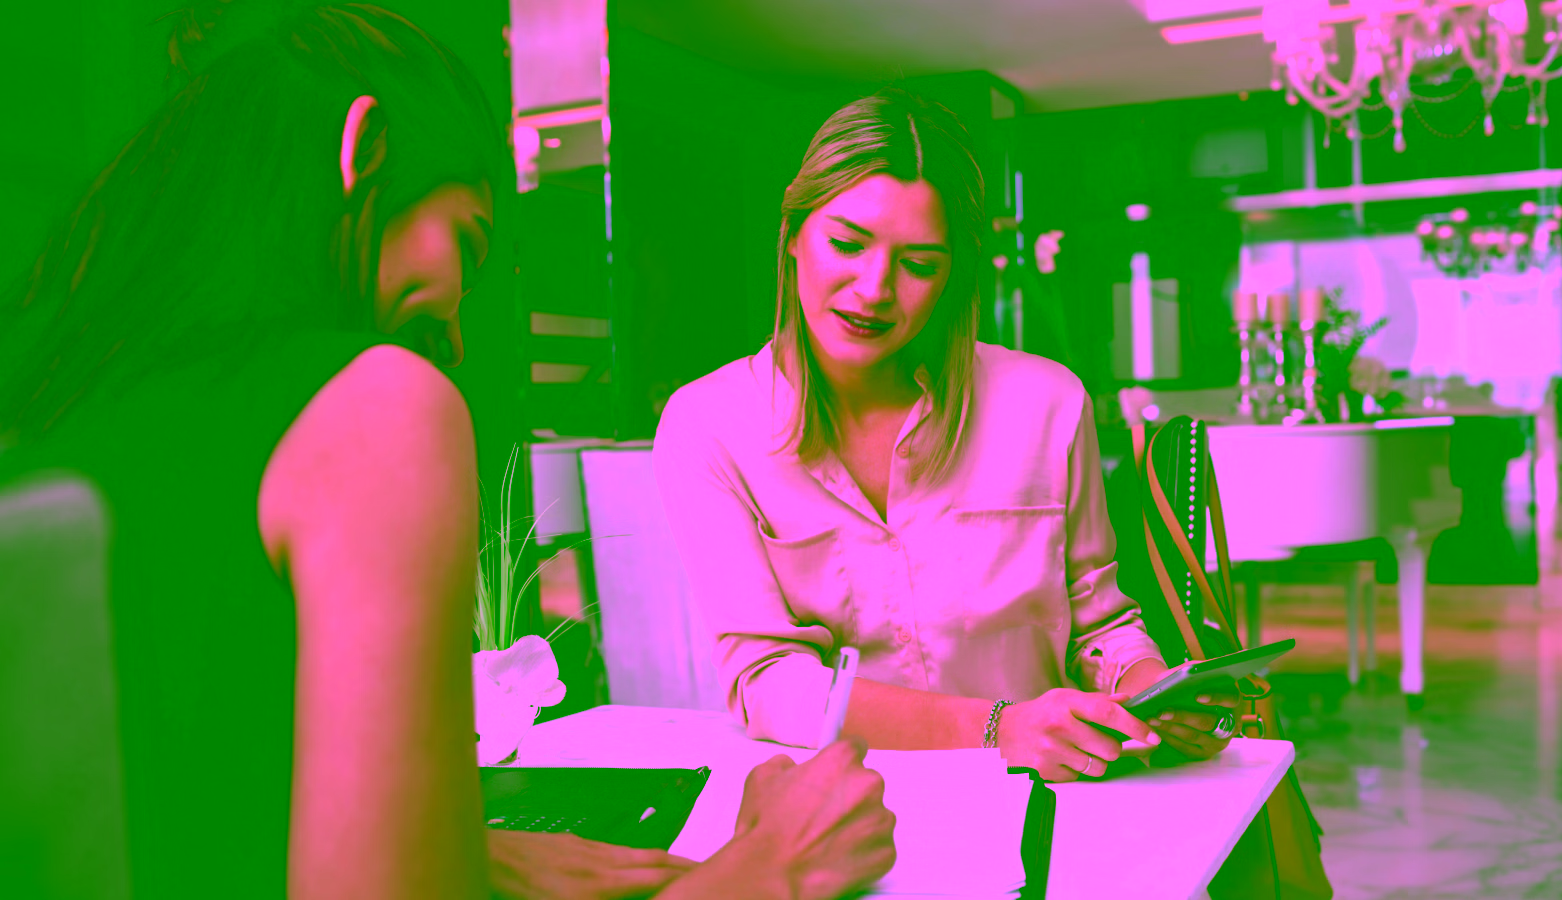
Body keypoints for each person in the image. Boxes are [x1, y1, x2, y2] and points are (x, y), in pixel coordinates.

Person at [0, 4, 893, 898]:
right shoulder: (376, 404)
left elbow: (182, 790)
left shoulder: (63, 408)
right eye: (467, 240)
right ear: (366, 147)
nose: (457, 336)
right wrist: (774, 867)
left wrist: (462, 852)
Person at [653, 89, 1240, 784]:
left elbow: (1097, 619)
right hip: (846, 813)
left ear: (952, 275)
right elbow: (768, 686)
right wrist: (1000, 728)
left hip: (1053, 801)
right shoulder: (707, 426)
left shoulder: (1047, 403)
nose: (874, 287)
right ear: (792, 235)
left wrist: (1147, 687)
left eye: (919, 263)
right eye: (846, 242)